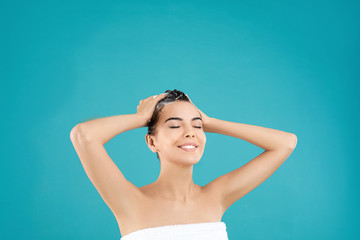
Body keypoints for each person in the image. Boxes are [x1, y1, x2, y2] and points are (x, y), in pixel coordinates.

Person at [70, 89, 297, 240]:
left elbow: (286, 143)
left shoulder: (216, 197)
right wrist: (141, 118)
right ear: (151, 141)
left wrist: (211, 121)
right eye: (175, 126)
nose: (190, 133)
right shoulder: (130, 201)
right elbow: (84, 135)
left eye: (197, 126)